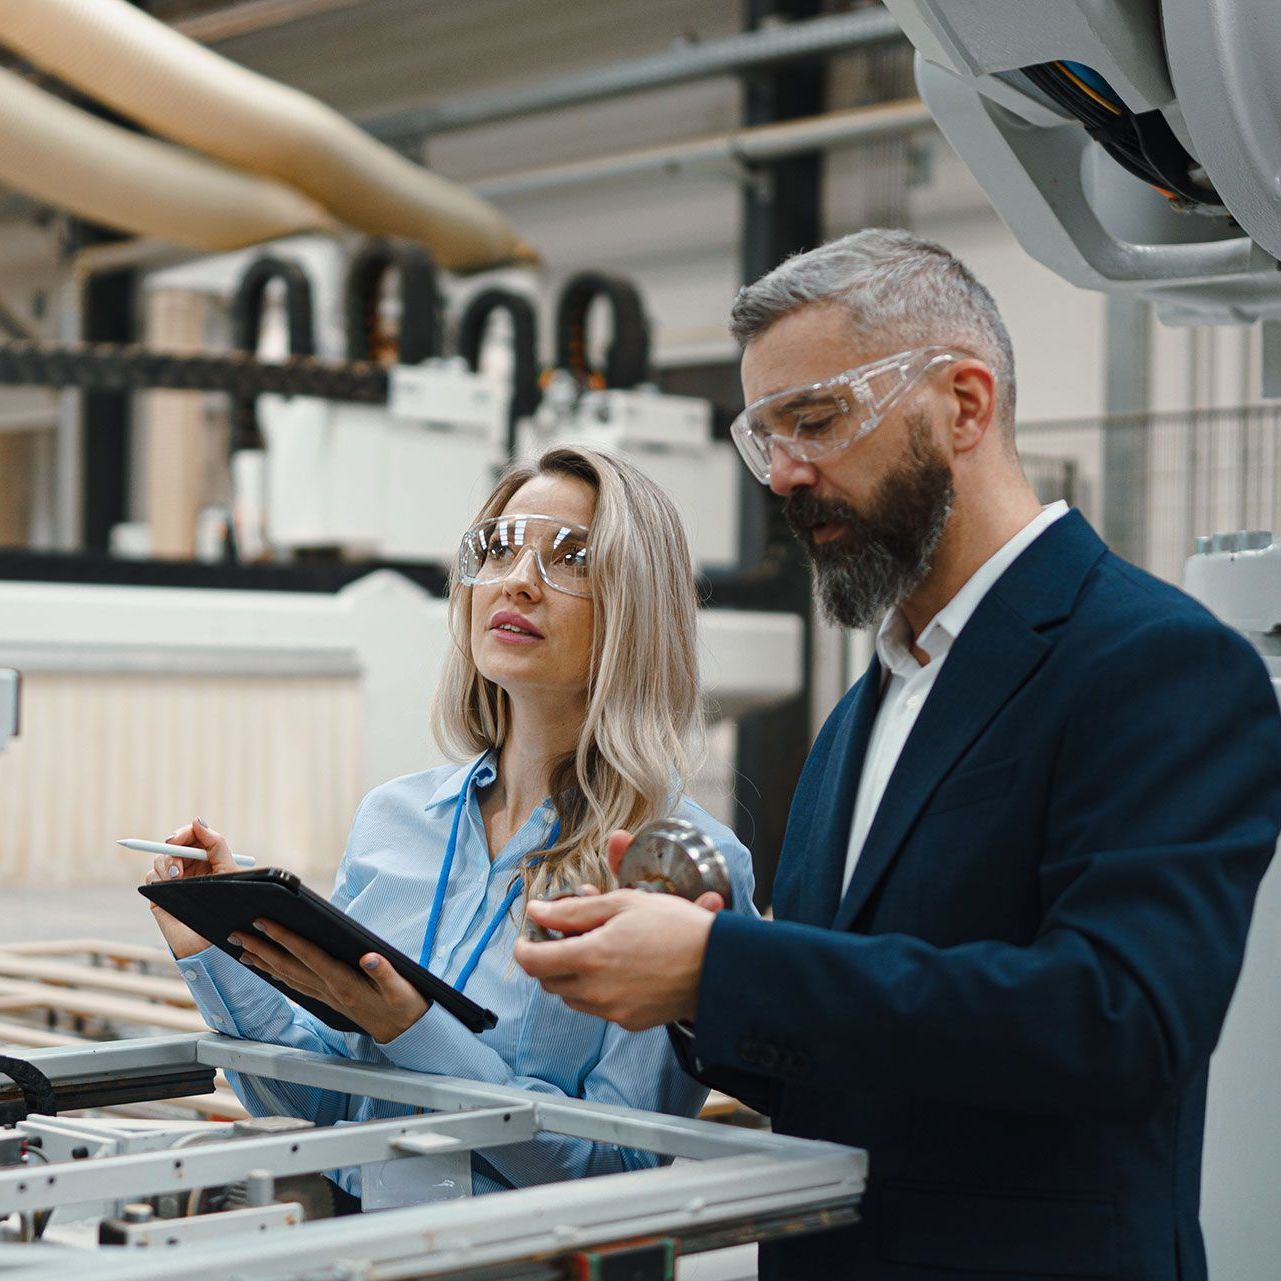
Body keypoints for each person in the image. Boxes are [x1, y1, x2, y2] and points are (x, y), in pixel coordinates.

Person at [515, 230, 1281, 1280]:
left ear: (964, 404)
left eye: (816, 421)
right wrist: (698, 991)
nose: (784, 476)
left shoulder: (1159, 664)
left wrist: (728, 966)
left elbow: (1120, 1023)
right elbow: (851, 1065)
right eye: (765, 437)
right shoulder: (863, 716)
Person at [144, 445, 755, 1209]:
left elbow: (619, 1169)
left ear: (636, 605)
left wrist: (415, 1029)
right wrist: (215, 945)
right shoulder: (394, 822)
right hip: (356, 1245)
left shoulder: (672, 865)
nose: (518, 580)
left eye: (569, 557)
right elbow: (322, 1108)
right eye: (498, 548)